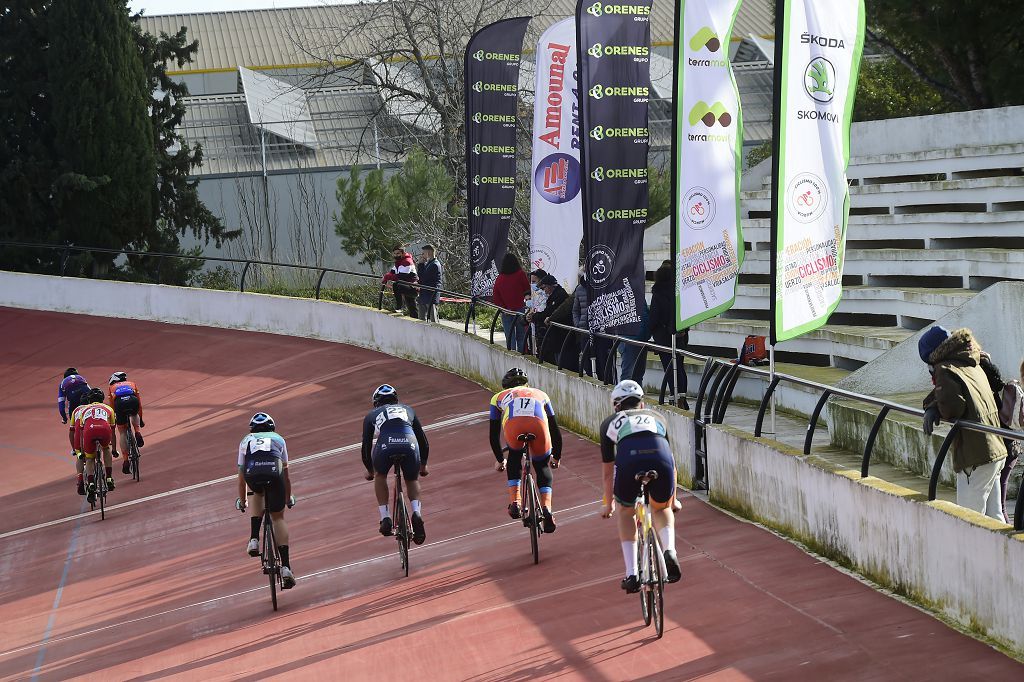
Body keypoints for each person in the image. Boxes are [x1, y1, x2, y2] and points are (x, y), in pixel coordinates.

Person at [599, 380, 682, 592]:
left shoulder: (609, 422)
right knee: (661, 508)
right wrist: (673, 500)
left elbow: (608, 472)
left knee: (626, 512)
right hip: (660, 460)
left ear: (616, 406)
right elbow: (672, 464)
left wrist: (608, 504)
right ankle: (670, 550)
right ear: (642, 404)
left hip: (630, 461)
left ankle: (632, 574)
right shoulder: (658, 418)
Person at [919, 326, 1007, 521]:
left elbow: (952, 408)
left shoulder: (945, 369)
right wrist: (933, 404)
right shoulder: (971, 359)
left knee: (969, 519)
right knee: (995, 517)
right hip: (995, 448)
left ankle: (977, 553)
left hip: (976, 455)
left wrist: (934, 407)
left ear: (932, 357)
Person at [488, 368, 563, 531]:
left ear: (505, 386)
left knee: (514, 456)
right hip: (539, 425)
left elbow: (493, 435)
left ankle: (515, 502)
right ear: (526, 384)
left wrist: (500, 460)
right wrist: (556, 457)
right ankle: (547, 508)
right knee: (542, 465)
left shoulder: (497, 398)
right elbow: (555, 430)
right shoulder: (541, 394)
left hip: (514, 426)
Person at [362, 384, 429, 544]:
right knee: (412, 479)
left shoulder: (372, 415)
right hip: (409, 443)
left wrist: (370, 470)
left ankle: (385, 517)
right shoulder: (408, 409)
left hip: (386, 445)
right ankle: (416, 513)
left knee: (380, 475)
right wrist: (423, 465)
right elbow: (423, 441)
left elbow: (365, 447)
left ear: (376, 402)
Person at [236, 412, 296, 589]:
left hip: (252, 474)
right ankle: (285, 566)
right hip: (274, 473)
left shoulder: (245, 440)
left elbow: (240, 477)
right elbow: (285, 475)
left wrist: (242, 500)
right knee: (278, 517)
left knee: (257, 494)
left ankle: (254, 538)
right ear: (272, 427)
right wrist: (288, 498)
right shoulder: (279, 439)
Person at [648, 262, 689, 408]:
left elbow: (654, 317)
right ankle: (682, 397)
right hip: (680, 335)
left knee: (669, 368)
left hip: (663, 337)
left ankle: (674, 396)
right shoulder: (679, 292)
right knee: (679, 366)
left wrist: (650, 331)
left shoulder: (658, 294)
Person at [72, 388, 117, 503]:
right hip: (104, 430)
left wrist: (82, 452)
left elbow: (81, 433)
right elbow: (113, 431)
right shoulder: (108, 408)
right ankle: (109, 478)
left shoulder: (82, 410)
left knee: (90, 458)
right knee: (106, 448)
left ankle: (91, 483)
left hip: (89, 431)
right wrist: (114, 450)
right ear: (102, 399)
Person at [59, 368, 92, 494]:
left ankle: (75, 449)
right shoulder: (81, 378)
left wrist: (63, 417)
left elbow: (61, 403)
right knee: (90, 419)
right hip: (86, 397)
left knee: (74, 427)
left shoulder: (63, 383)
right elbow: (91, 392)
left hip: (74, 405)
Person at [107, 371, 145, 475]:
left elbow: (111, 409)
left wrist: (115, 421)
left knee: (122, 432)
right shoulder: (132, 384)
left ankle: (125, 460)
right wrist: (141, 420)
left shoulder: (111, 388)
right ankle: (137, 432)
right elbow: (140, 405)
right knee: (134, 413)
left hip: (119, 404)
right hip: (133, 401)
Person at [492, 253, 530, 352]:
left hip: (506, 311)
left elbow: (496, 296)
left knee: (509, 336)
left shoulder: (500, 278)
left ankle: (511, 354)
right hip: (520, 309)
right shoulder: (520, 274)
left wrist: (503, 307)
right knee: (521, 336)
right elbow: (527, 289)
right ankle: (522, 354)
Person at [619, 295, 650, 386]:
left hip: (641, 339)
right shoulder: (622, 293)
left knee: (638, 374)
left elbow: (645, 315)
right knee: (628, 374)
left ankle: (635, 398)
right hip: (630, 340)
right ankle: (624, 398)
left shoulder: (639, 294)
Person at [382, 245, 419, 318]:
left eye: (398, 253)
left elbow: (400, 276)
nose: (396, 255)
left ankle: (399, 307)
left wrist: (387, 277)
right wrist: (386, 277)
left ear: (403, 253)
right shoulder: (399, 262)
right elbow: (392, 272)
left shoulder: (407, 262)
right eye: (395, 254)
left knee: (396, 285)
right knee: (411, 306)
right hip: (407, 286)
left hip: (413, 288)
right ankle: (415, 319)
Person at [415, 244, 442, 323]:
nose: (422, 255)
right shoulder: (430, 263)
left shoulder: (434, 265)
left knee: (433, 320)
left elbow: (423, 278)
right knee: (421, 320)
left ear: (429, 253)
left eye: (423, 253)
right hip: (424, 295)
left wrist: (420, 264)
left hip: (430, 296)